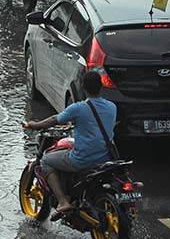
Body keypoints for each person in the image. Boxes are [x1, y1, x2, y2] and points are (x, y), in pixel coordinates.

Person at [23, 70, 117, 216]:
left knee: (46, 160)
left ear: (83, 88)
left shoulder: (78, 108)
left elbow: (55, 119)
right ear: (101, 87)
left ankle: (63, 201)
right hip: (105, 158)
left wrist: (34, 124)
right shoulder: (112, 107)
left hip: (82, 159)